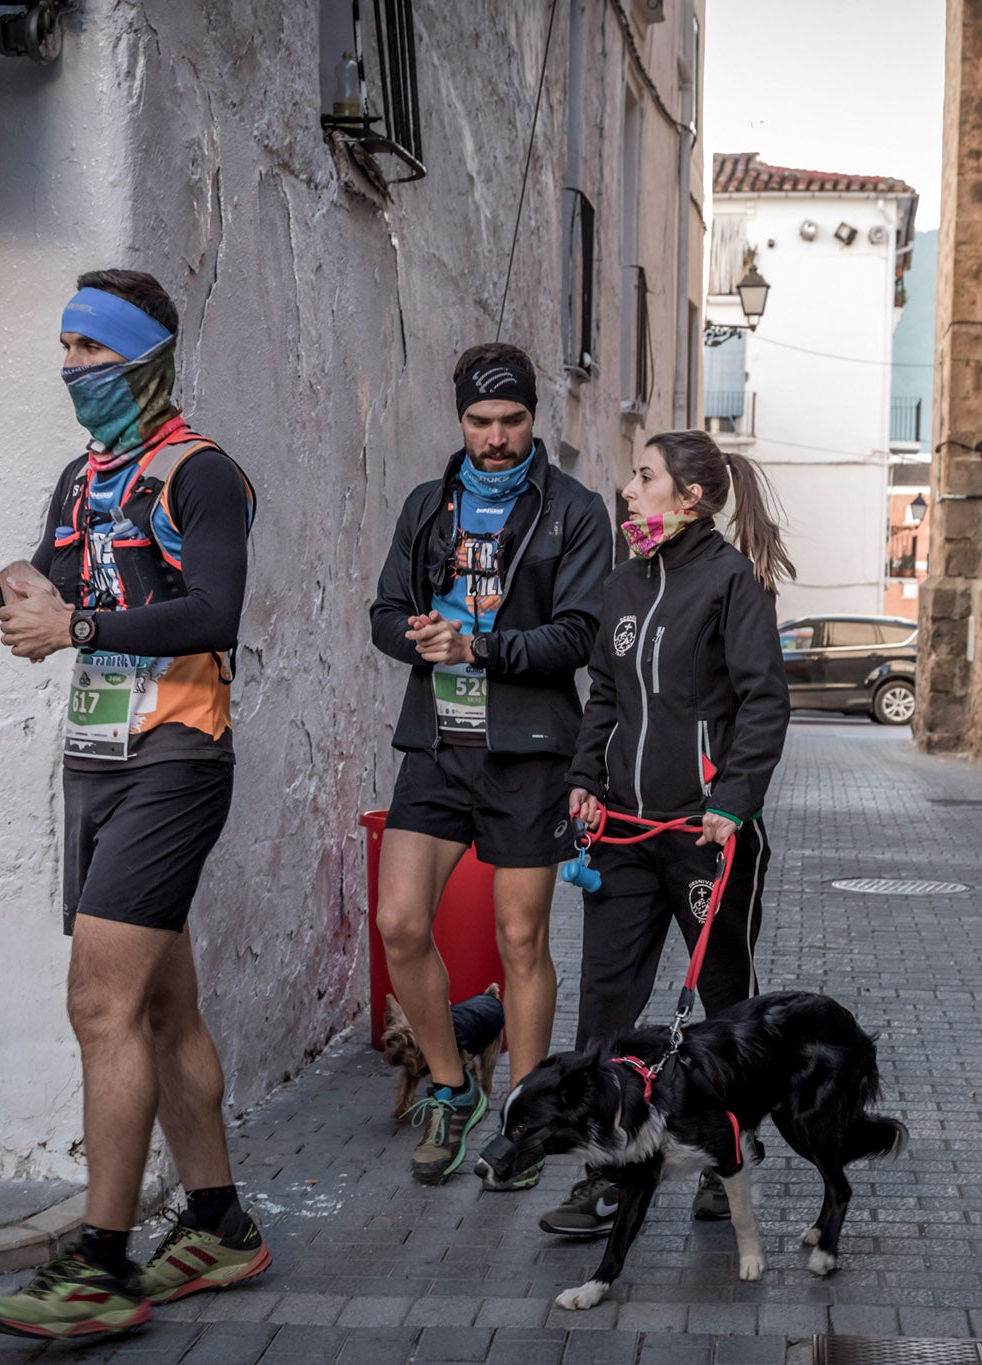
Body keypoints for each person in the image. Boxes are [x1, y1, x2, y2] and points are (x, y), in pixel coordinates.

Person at [0, 270, 265, 1340]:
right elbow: (56, 587)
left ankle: (100, 1264)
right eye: (62, 348)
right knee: (157, 1007)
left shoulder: (203, 476)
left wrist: (77, 630)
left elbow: (214, 609)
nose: (71, 368)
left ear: (144, 357)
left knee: (98, 1006)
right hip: (96, 761)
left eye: (90, 350)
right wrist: (18, 582)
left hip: (175, 760)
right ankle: (219, 1224)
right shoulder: (82, 477)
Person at [537, 428, 794, 1238]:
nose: (627, 490)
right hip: (623, 832)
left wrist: (736, 799)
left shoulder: (731, 584)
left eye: (643, 477)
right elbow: (604, 698)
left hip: (706, 836)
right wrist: (584, 777)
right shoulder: (623, 583)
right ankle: (605, 1168)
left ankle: (731, 1157)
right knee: (605, 1003)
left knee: (725, 1007)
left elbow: (763, 702)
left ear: (689, 498)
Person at [368, 342, 611, 1188]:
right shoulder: (427, 508)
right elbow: (383, 609)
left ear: (534, 418)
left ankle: (524, 1117)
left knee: (520, 939)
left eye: (511, 421)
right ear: (460, 419)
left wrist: (478, 643)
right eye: (480, 421)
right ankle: (449, 1083)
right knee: (399, 921)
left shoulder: (574, 510)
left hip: (530, 749)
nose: (496, 438)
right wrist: (416, 634)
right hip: (437, 741)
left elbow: (579, 634)